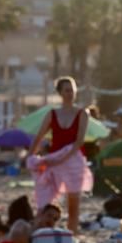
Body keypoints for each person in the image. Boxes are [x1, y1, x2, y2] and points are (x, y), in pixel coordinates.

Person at [28, 77, 92, 234]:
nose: (70, 93)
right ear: (60, 93)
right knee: (44, 201)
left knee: (73, 204)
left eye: (72, 90)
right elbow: (39, 136)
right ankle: (39, 235)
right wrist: (30, 156)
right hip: (55, 160)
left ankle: (72, 239)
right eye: (67, 90)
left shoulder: (82, 113)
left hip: (74, 161)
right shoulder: (52, 114)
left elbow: (79, 141)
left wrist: (64, 158)